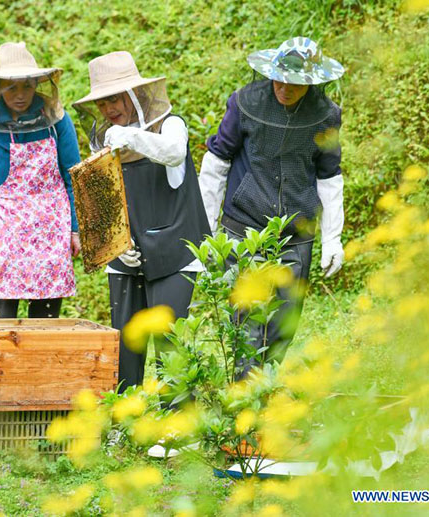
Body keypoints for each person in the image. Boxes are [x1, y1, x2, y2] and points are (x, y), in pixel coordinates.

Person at [199, 37, 346, 376]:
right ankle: (243, 414)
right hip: (244, 230)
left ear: (312, 82)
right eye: (279, 78)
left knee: (282, 329)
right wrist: (205, 230)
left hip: (296, 237)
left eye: (294, 83)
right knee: (247, 328)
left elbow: (329, 176)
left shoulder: (327, 115)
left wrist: (333, 238)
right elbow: (216, 161)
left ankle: (264, 406)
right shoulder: (244, 103)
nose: (284, 87)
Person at [72, 51, 211, 392]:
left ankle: (175, 428)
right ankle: (125, 419)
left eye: (114, 99)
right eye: (102, 103)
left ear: (134, 93)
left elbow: (174, 151)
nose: (109, 110)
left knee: (169, 342)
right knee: (125, 347)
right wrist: (115, 250)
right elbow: (104, 204)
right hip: (127, 256)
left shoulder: (170, 124)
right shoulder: (103, 137)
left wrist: (133, 138)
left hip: (175, 251)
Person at [0, 42, 81, 319]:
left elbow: (72, 177)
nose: (20, 95)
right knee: (2, 321)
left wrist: (76, 229)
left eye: (26, 86)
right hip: (5, 231)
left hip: (51, 230)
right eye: (11, 88)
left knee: (46, 321)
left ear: (36, 85)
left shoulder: (56, 120)